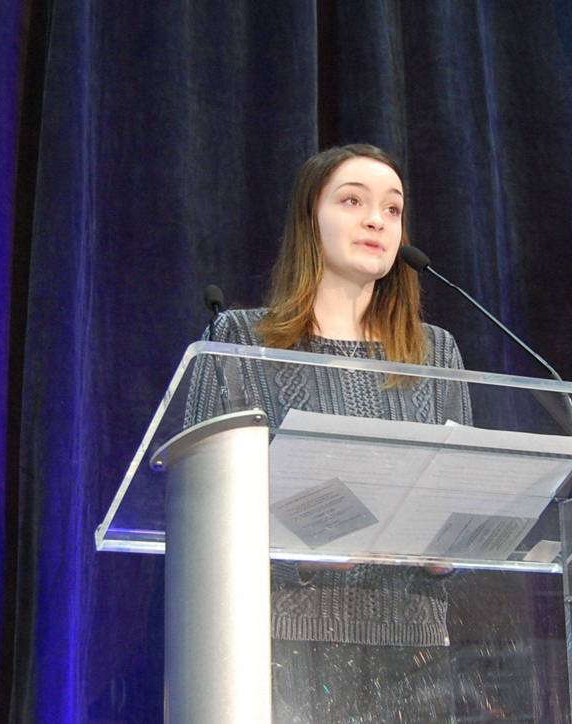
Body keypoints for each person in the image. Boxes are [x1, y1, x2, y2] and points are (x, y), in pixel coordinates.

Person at [185, 144, 473, 722]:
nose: (377, 220)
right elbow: (199, 517)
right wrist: (306, 549)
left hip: (416, 657)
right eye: (352, 201)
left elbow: (459, 504)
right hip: (278, 646)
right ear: (308, 220)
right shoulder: (240, 340)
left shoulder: (436, 351)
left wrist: (451, 548)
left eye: (393, 210)